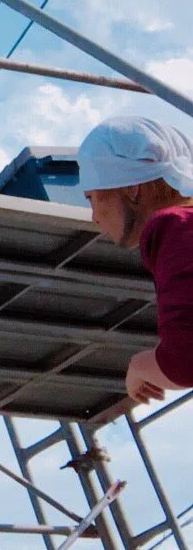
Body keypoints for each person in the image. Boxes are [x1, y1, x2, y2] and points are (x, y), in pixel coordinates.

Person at [77, 115, 193, 404]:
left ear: (131, 187)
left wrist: (141, 365)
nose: (93, 217)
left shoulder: (173, 226)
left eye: (92, 197)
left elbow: (186, 357)